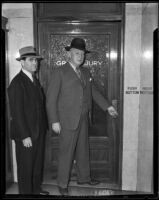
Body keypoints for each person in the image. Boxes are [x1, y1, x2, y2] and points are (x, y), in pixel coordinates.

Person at [46, 38, 118, 196]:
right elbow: (50, 99)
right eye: (77, 53)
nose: (80, 56)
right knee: (66, 153)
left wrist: (108, 107)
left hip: (83, 118)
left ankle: (84, 178)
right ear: (70, 54)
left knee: (83, 150)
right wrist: (54, 121)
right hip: (66, 121)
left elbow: (93, 92)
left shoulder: (85, 72)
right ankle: (62, 183)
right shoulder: (60, 72)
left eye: (82, 54)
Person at [7, 46, 49, 195]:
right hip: (26, 135)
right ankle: (26, 193)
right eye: (31, 60)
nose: (35, 63)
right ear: (22, 62)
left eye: (36, 60)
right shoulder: (17, 83)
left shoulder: (34, 79)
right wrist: (25, 135)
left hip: (38, 132)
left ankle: (36, 190)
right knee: (26, 168)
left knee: (37, 166)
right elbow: (17, 113)